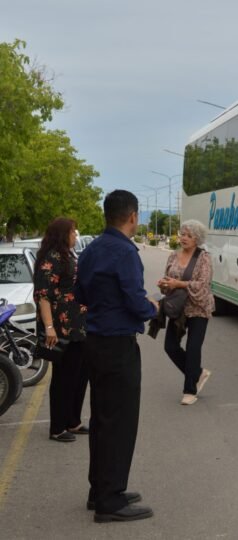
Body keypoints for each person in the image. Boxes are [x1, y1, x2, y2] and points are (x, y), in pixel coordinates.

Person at [76, 190, 158, 523]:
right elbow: (136, 302)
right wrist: (153, 306)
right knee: (120, 423)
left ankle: (101, 490)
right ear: (133, 216)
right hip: (117, 345)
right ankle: (111, 500)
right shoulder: (125, 253)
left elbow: (80, 293)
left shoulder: (92, 249)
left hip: (94, 340)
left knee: (102, 420)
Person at [33, 218, 88, 443]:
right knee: (64, 379)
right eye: (73, 231)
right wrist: (49, 328)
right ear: (62, 234)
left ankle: (73, 421)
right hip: (61, 328)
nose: (76, 234)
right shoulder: (50, 258)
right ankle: (57, 427)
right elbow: (43, 296)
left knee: (80, 375)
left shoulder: (69, 255)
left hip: (79, 327)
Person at [158, 219, 214, 406]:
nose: (184, 238)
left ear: (197, 239)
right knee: (170, 346)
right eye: (182, 234)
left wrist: (178, 284)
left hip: (198, 308)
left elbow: (202, 285)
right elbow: (168, 279)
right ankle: (197, 373)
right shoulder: (173, 256)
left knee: (193, 348)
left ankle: (190, 390)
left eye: (189, 235)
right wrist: (165, 284)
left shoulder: (204, 257)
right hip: (178, 309)